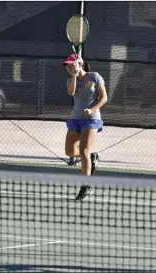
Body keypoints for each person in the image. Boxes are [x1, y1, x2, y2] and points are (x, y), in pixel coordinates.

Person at [63, 54, 108, 200]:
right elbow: (71, 92)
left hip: (91, 119)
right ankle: (91, 157)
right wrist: (75, 75)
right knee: (69, 151)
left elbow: (104, 97)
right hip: (75, 118)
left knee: (83, 151)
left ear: (80, 63)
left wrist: (92, 109)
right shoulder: (71, 79)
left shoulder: (94, 77)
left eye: (71, 65)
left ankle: (86, 186)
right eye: (68, 66)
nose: (69, 68)